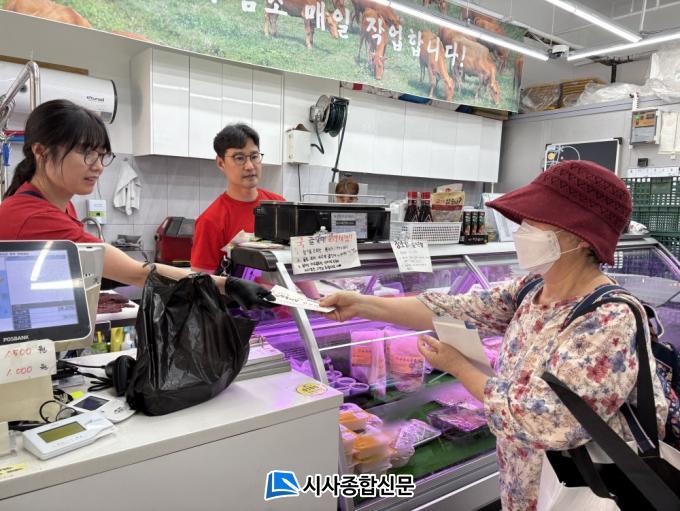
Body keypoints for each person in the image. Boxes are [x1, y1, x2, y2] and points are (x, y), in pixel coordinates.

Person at [320, 160, 668, 510]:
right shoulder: (533, 289)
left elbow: (549, 419)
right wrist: (361, 304)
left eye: (535, 221)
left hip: (583, 491)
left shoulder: (608, 318)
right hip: (523, 484)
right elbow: (452, 309)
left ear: (579, 237)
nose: (522, 230)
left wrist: (459, 367)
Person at [0, 99, 274, 310]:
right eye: (87, 153)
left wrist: (84, 303)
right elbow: (137, 273)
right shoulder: (32, 216)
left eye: (102, 155)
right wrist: (229, 285)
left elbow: (36, 286)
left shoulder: (62, 207)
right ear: (41, 152)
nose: (98, 166)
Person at [190, 124, 285, 273]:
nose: (250, 166)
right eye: (239, 158)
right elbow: (201, 280)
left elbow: (295, 264)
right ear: (221, 163)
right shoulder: (210, 220)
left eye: (254, 157)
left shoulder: (279, 206)